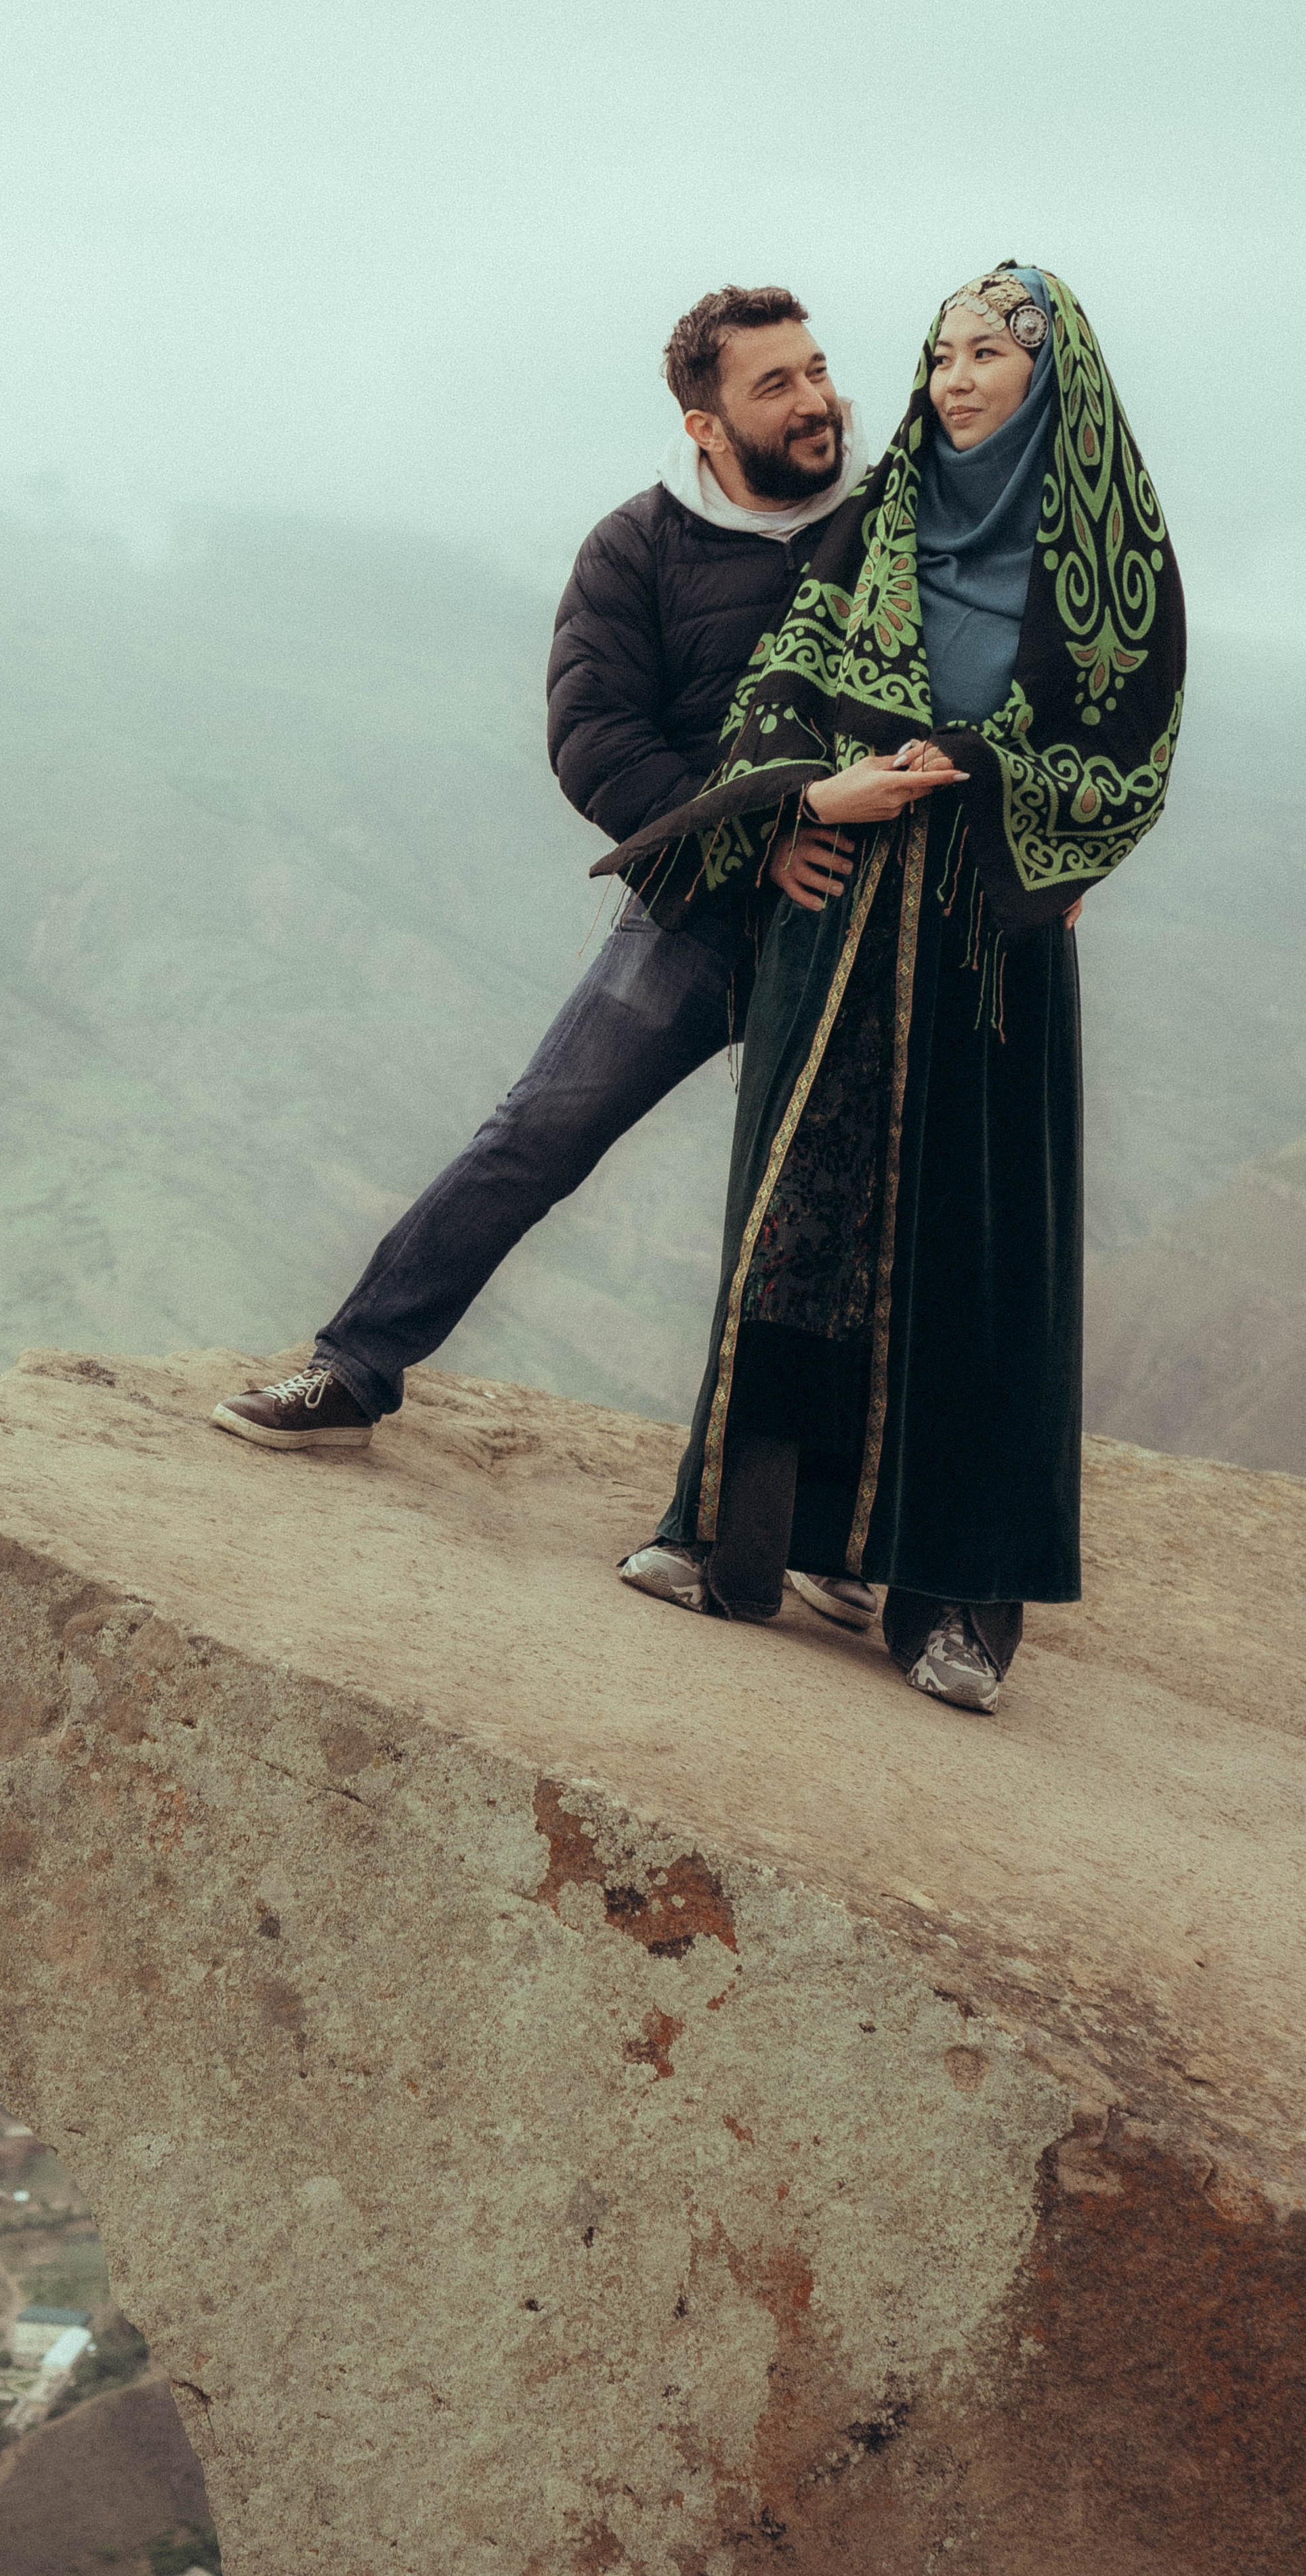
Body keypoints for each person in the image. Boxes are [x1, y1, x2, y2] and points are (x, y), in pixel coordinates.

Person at [609, 265, 1186, 1711]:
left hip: (993, 947)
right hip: (845, 921)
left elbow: (1128, 761)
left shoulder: (1111, 554)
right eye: (939, 355)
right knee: (797, 1232)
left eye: (987, 353)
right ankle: (733, 1541)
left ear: (1052, 375)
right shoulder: (877, 521)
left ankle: (948, 1605)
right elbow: (779, 692)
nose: (952, 380)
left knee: (971, 1267)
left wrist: (992, 785)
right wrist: (807, 800)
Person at [212, 283, 867, 1449]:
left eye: (817, 371)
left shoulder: (894, 531)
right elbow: (595, 739)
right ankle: (354, 1371)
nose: (816, 402)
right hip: (702, 908)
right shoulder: (639, 547)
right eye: (777, 385)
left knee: (857, 1219)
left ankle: (838, 1523)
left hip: (864, 923)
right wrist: (757, 842)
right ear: (704, 427)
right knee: (536, 1136)